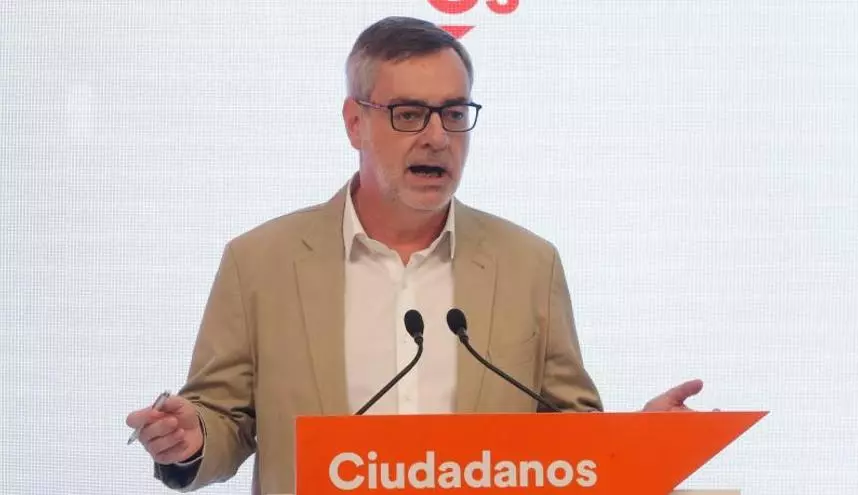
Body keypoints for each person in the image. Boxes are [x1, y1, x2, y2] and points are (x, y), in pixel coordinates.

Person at [125, 16, 707, 495]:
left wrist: (635, 444)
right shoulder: (260, 262)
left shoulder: (529, 264)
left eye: (453, 113)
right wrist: (191, 438)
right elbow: (225, 418)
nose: (437, 137)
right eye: (409, 114)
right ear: (355, 123)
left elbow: (565, 437)